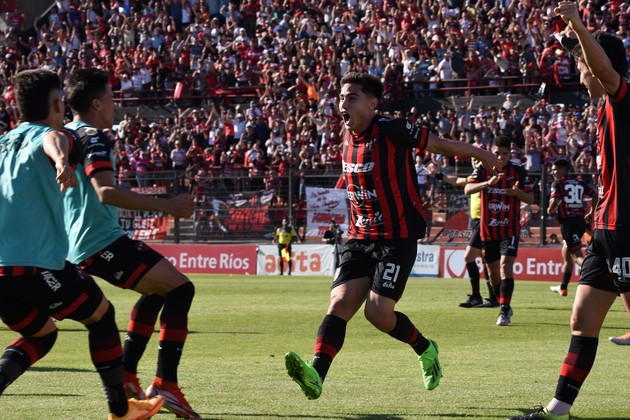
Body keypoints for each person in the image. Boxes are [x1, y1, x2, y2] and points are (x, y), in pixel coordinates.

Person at [284, 72, 500, 400]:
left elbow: (439, 144)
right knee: (339, 303)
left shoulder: (392, 129)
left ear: (373, 104)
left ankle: (425, 348)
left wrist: (481, 153)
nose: (342, 104)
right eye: (341, 98)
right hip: (359, 236)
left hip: (396, 237)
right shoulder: (346, 135)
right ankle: (316, 374)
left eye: (351, 97)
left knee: (377, 314)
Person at [0, 68, 164, 419]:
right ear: (57, 104)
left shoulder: (3, 143)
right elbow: (53, 140)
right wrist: (62, 160)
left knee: (42, 334)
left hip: (2, 271)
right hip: (35, 264)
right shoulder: (55, 135)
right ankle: (120, 409)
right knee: (101, 316)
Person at [508, 3, 630, 419]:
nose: (579, 75)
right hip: (605, 231)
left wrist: (578, 25)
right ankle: (558, 410)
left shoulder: (623, 97)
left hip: (627, 229)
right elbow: (594, 63)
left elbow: (604, 70)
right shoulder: (607, 104)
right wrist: (571, 39)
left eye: (582, 66)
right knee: (582, 320)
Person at [61, 68, 199, 420]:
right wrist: (168, 206)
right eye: (111, 98)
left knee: (157, 291)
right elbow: (105, 191)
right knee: (181, 289)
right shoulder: (93, 137)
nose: (115, 105)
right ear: (96, 103)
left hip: (83, 242)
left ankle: (126, 376)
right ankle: (165, 383)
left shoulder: (66, 135)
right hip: (99, 241)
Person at [465, 135, 534, 326]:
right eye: (497, 153)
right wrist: (487, 184)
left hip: (510, 228)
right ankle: (504, 302)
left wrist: (517, 193)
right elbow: (467, 189)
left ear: (510, 153)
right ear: (491, 152)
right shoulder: (483, 169)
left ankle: (504, 309)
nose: (501, 157)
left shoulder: (518, 171)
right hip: (488, 230)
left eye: (504, 154)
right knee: (493, 272)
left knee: (505, 265)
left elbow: (530, 199)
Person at [429, 159, 499, 309]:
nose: (475, 162)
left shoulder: (488, 178)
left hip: (484, 221)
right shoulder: (473, 177)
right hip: (477, 222)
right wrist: (438, 175)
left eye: (477, 159)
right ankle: (493, 297)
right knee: (485, 260)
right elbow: (457, 181)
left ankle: (476, 296)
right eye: (473, 159)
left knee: (468, 257)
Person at [547, 158, 596, 297]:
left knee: (577, 257)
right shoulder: (580, 183)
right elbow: (594, 194)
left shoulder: (558, 183)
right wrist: (592, 212)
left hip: (569, 224)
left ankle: (597, 275)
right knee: (566, 254)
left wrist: (550, 209)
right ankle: (563, 287)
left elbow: (555, 201)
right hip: (580, 222)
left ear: (563, 170)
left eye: (555, 169)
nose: (553, 172)